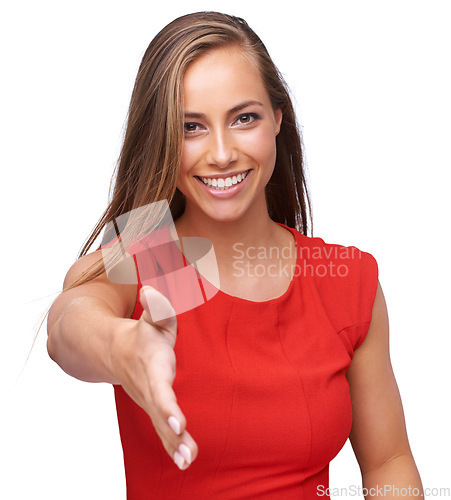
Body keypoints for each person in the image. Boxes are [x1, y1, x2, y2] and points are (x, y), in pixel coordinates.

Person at [46, 11, 423, 499]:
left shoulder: (342, 278)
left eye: (244, 118)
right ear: (161, 137)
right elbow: (69, 322)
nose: (221, 153)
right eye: (191, 127)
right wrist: (123, 348)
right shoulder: (156, 249)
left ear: (278, 119)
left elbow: (388, 461)